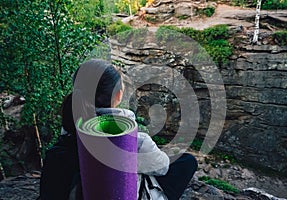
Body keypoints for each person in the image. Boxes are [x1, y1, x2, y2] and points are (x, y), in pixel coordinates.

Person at [40, 59, 197, 200]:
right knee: (186, 161)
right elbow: (162, 167)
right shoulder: (134, 140)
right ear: (119, 95)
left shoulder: (70, 129)